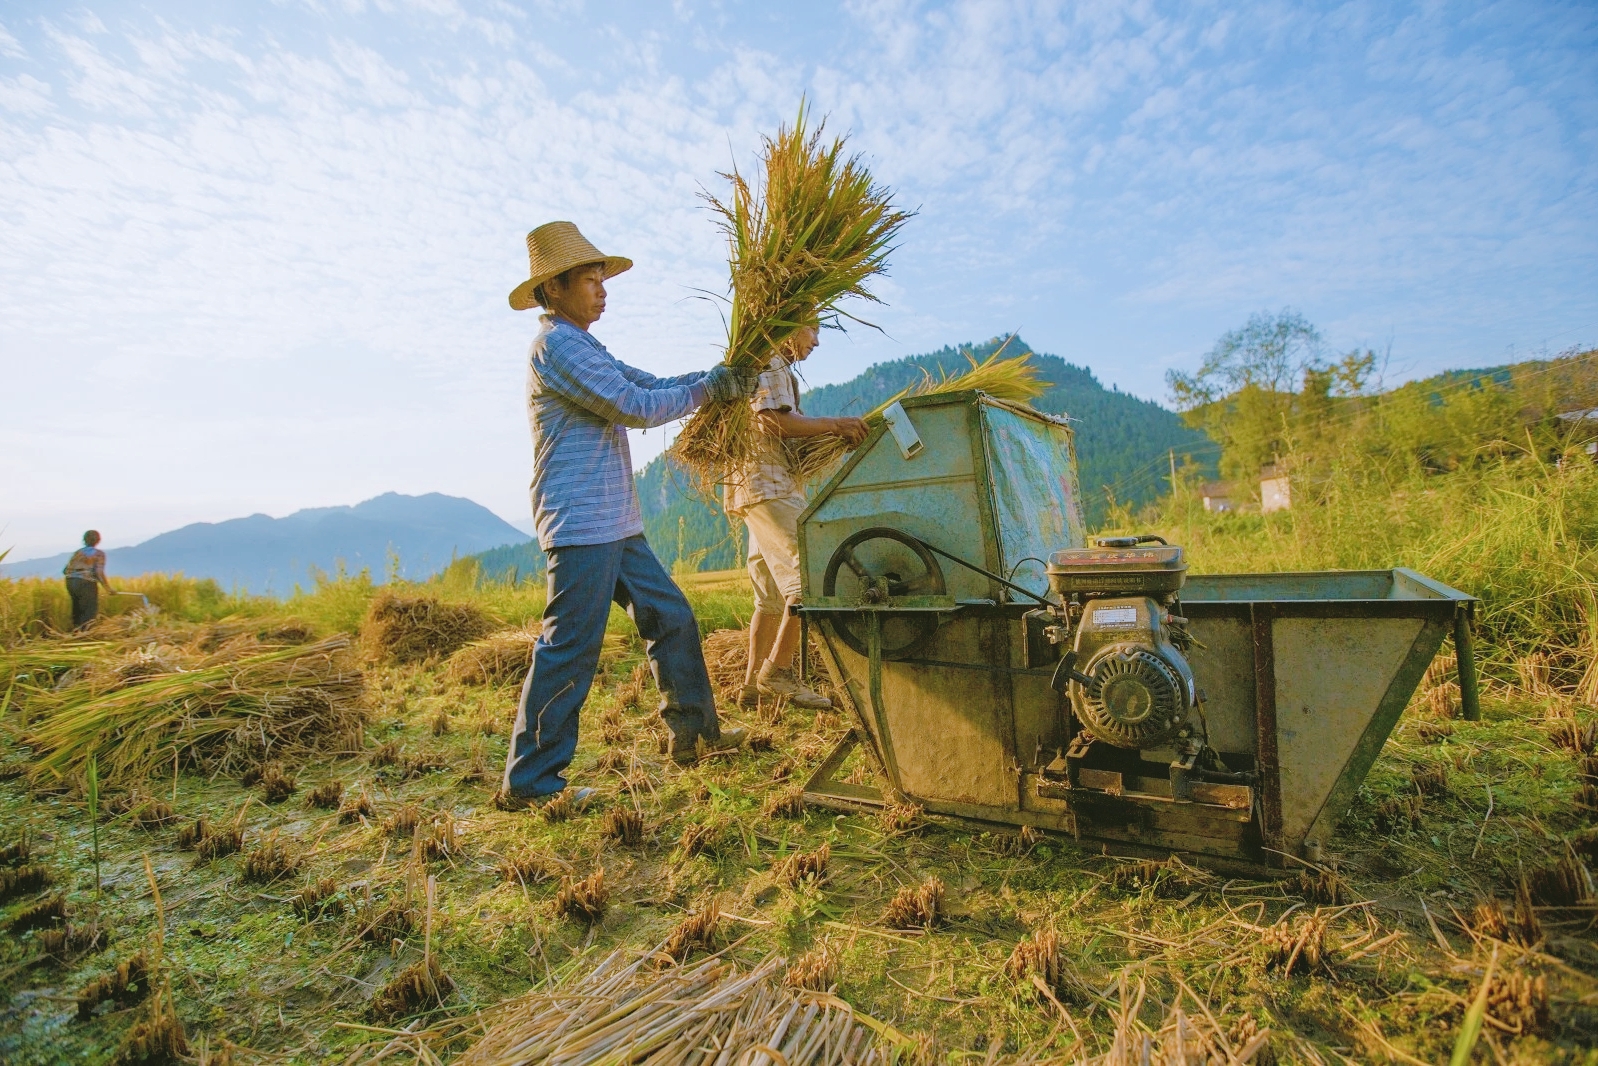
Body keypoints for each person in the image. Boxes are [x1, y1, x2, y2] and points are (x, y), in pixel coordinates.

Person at [497, 221, 760, 811]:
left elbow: (650, 383)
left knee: (671, 617)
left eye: (602, 278)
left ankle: (695, 735)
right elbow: (634, 406)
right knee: (570, 647)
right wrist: (712, 390)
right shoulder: (556, 347)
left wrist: (716, 377)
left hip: (614, 521)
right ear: (554, 288)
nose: (602, 289)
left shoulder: (585, 346)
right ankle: (530, 782)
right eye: (590, 279)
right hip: (582, 522)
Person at [726, 317, 869, 709]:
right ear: (790, 326)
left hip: (754, 488)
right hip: (770, 485)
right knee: (811, 574)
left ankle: (751, 689)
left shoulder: (764, 362)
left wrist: (829, 436)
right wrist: (835, 424)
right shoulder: (771, 361)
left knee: (771, 597)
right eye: (813, 329)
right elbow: (770, 420)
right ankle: (779, 670)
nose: (816, 342)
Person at [63, 530, 113, 630]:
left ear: (84, 540)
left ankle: (75, 632)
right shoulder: (99, 554)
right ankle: (86, 633)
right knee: (89, 610)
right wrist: (108, 589)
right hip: (86, 583)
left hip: (70, 582)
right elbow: (99, 573)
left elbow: (65, 570)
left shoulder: (78, 552)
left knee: (77, 608)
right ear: (98, 540)